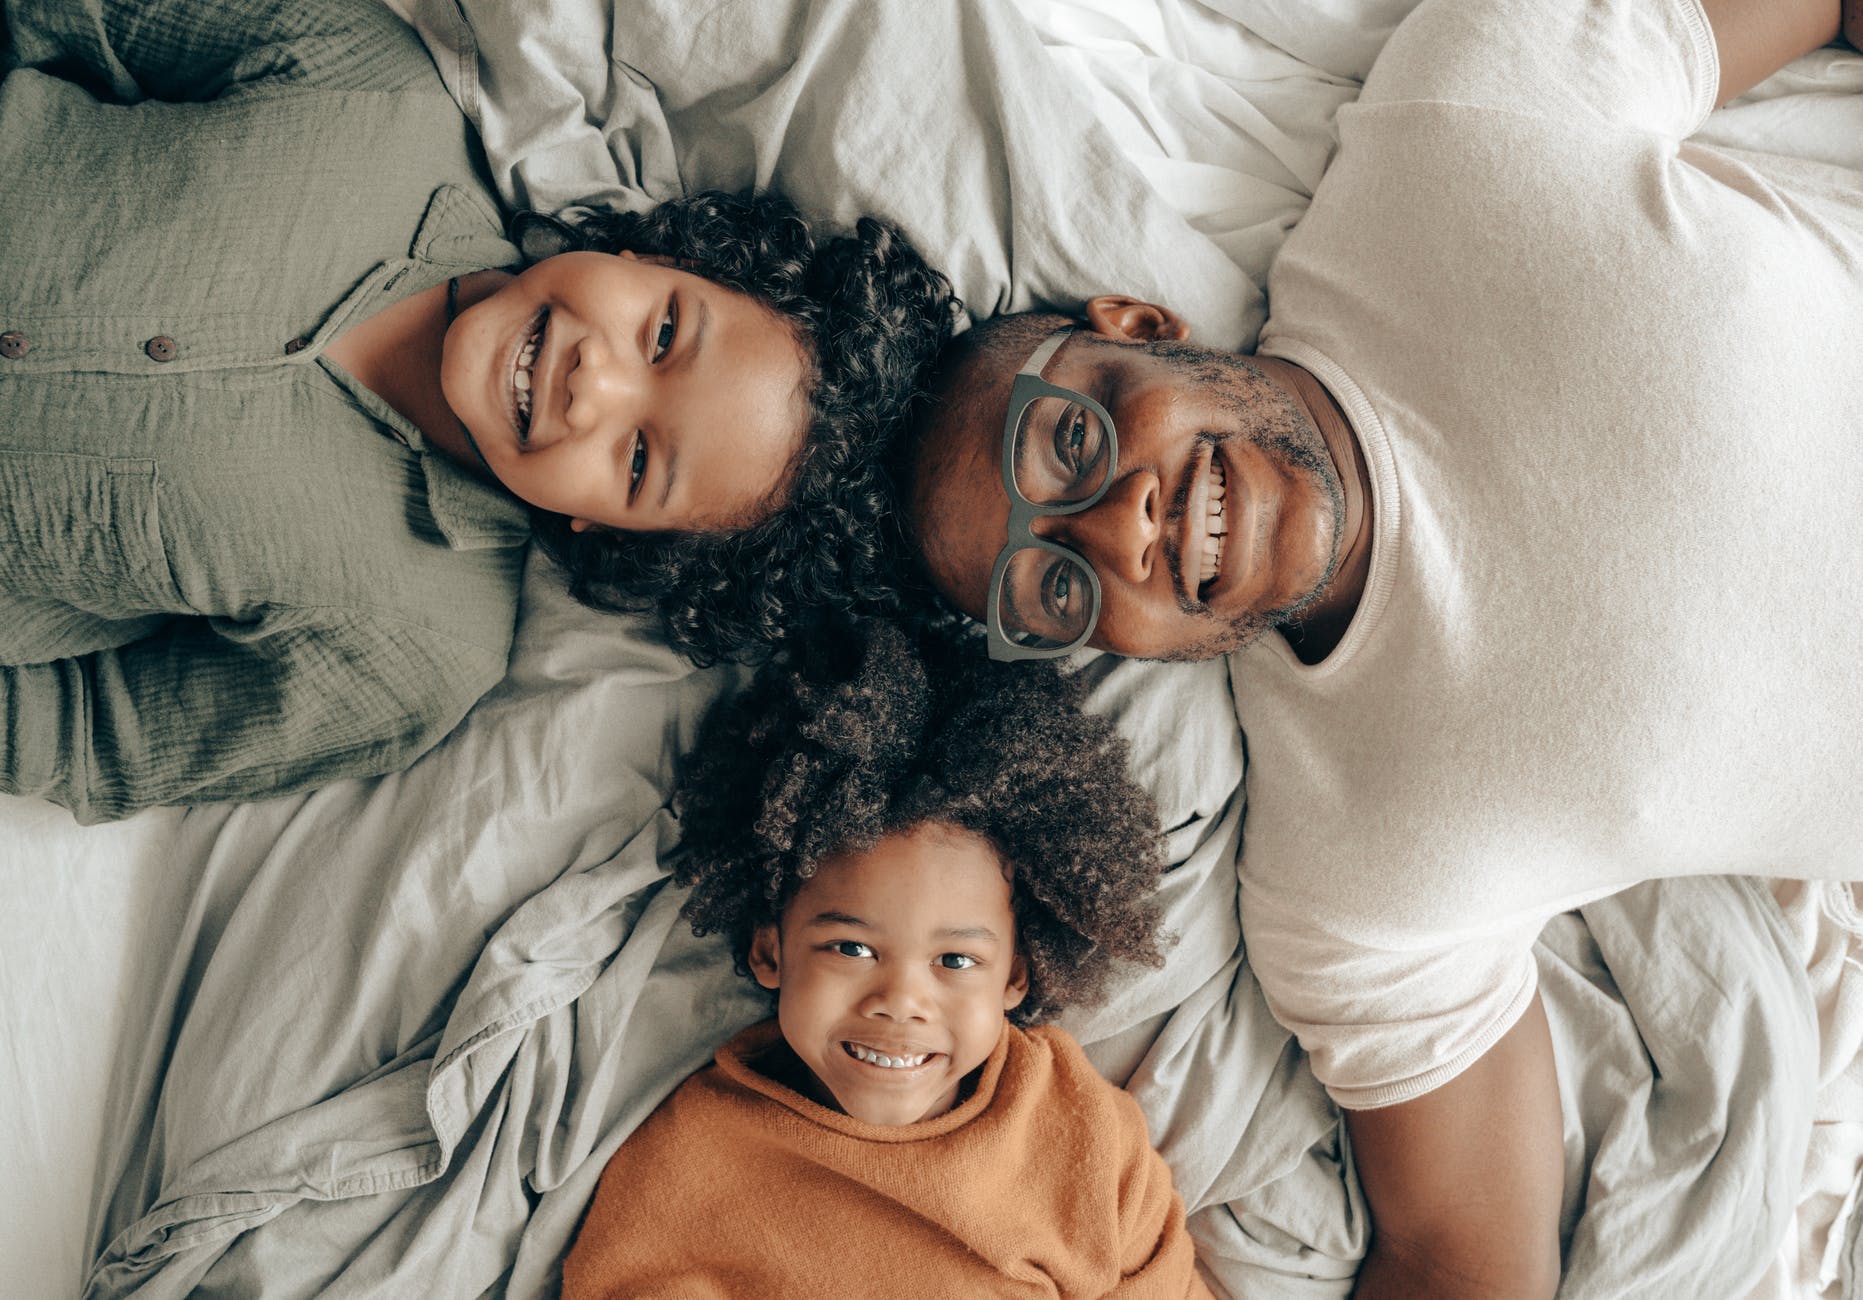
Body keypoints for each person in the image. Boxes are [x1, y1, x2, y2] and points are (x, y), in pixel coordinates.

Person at [900, 0, 1863, 1294]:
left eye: (1068, 442)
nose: (1116, 525)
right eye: (1058, 587)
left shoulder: (1450, 131)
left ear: (1131, 326)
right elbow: (1465, 1260)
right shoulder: (1347, 882)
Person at [0, 0, 954, 824]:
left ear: (609, 529)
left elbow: (90, 739)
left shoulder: (412, 655)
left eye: (636, 462)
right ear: (660, 256)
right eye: (662, 335)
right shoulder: (368, 87)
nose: (596, 386)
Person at [560, 621, 1210, 1297]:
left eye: (955, 961)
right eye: (851, 948)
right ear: (768, 949)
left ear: (1015, 974)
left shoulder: (1080, 1137)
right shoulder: (691, 1161)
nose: (900, 999)